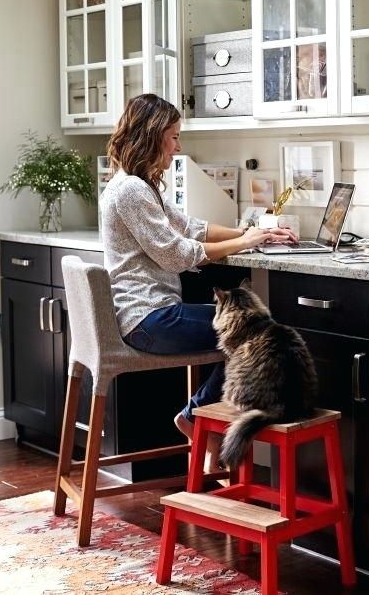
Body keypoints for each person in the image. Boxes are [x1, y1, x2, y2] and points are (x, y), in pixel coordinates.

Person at [100, 93, 296, 471]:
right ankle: (198, 418)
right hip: (149, 321)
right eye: (173, 136)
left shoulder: (139, 185)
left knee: (244, 333)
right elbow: (176, 253)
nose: (178, 145)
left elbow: (191, 227)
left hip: (151, 316)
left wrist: (247, 231)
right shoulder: (131, 191)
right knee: (256, 336)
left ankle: (201, 421)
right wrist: (245, 242)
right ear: (153, 136)